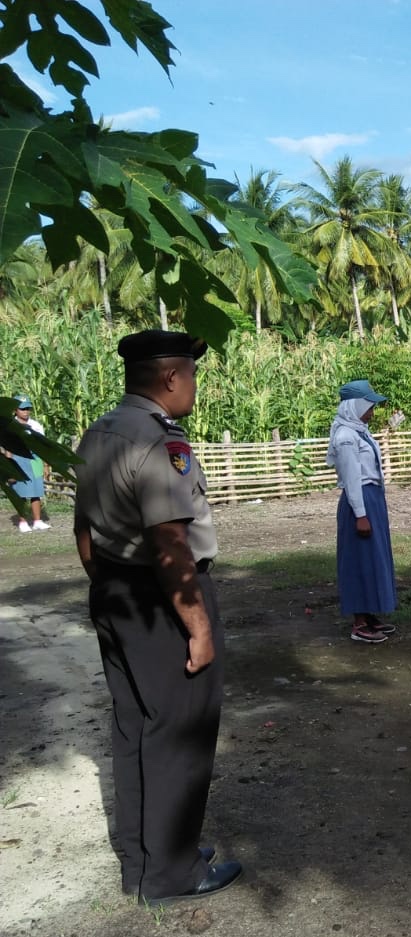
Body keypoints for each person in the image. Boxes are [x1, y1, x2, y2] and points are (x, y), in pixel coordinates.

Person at [73, 329, 242, 904]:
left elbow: (84, 533)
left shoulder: (98, 432)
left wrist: (107, 586)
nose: (194, 385)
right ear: (172, 377)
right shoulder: (158, 442)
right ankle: (171, 875)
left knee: (134, 729)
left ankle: (144, 859)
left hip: (116, 594)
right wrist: (197, 627)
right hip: (161, 599)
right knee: (179, 732)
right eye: (191, 374)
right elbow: (170, 543)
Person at [327, 379, 397, 643]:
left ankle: (368, 615)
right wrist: (361, 514)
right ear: (354, 406)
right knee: (359, 559)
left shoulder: (358, 431)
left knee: (373, 557)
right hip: (360, 501)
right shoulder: (345, 437)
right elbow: (352, 477)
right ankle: (358, 623)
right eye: (369, 406)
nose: (372, 412)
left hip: (371, 499)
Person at [8, 394, 50, 532]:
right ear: (15, 410)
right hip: (17, 458)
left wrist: (44, 464)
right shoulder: (9, 426)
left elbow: (42, 446)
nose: (25, 411)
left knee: (36, 491)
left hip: (35, 459)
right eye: (22, 409)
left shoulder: (36, 426)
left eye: (27, 408)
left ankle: (37, 520)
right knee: (21, 492)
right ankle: (23, 522)